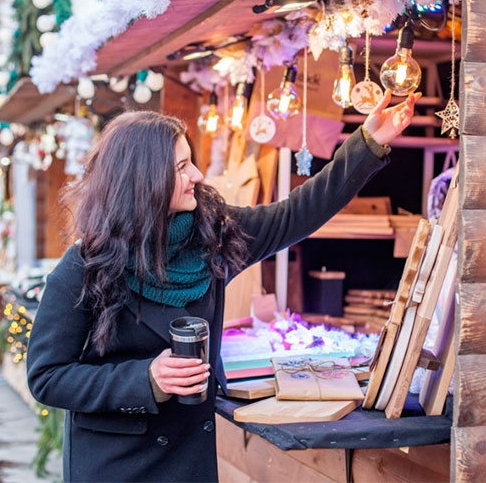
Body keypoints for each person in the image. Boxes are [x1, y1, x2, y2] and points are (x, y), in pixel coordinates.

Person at [26, 89, 420, 482]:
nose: (197, 175)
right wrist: (144, 379)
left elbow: (297, 213)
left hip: (188, 462)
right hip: (115, 465)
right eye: (181, 167)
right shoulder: (84, 266)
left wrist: (367, 145)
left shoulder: (215, 236)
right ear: (144, 179)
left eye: (191, 163)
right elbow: (47, 376)